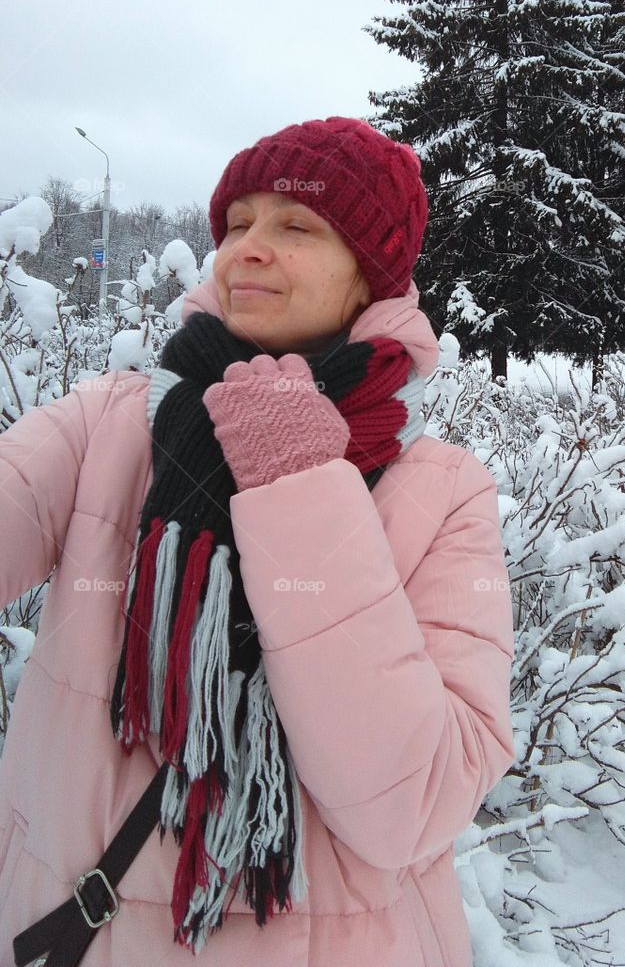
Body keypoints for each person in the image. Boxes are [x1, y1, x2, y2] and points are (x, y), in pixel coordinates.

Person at [0, 117, 516, 966]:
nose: (248, 248)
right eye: (237, 223)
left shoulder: (447, 491)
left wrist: (300, 488)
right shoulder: (114, 421)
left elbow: (416, 802)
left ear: (370, 277)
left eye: (296, 226)